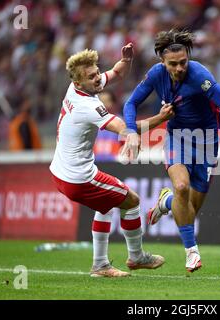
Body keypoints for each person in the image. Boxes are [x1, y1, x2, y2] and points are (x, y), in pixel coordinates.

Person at [122, 30, 220, 273]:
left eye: (183, 62)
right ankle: (192, 253)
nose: (179, 68)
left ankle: (166, 202)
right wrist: (132, 130)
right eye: (172, 64)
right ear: (162, 63)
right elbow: (130, 103)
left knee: (190, 208)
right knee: (182, 187)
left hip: (208, 140)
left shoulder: (200, 76)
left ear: (188, 58)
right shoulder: (155, 75)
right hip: (176, 137)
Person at [49, 45, 174, 277]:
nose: (97, 78)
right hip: (79, 177)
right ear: (78, 83)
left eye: (97, 72)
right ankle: (137, 257)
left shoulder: (78, 87)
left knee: (104, 206)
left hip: (61, 172)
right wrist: (160, 119)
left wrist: (126, 60)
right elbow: (124, 128)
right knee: (132, 201)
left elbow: (116, 73)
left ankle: (100, 265)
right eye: (91, 77)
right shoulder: (87, 106)